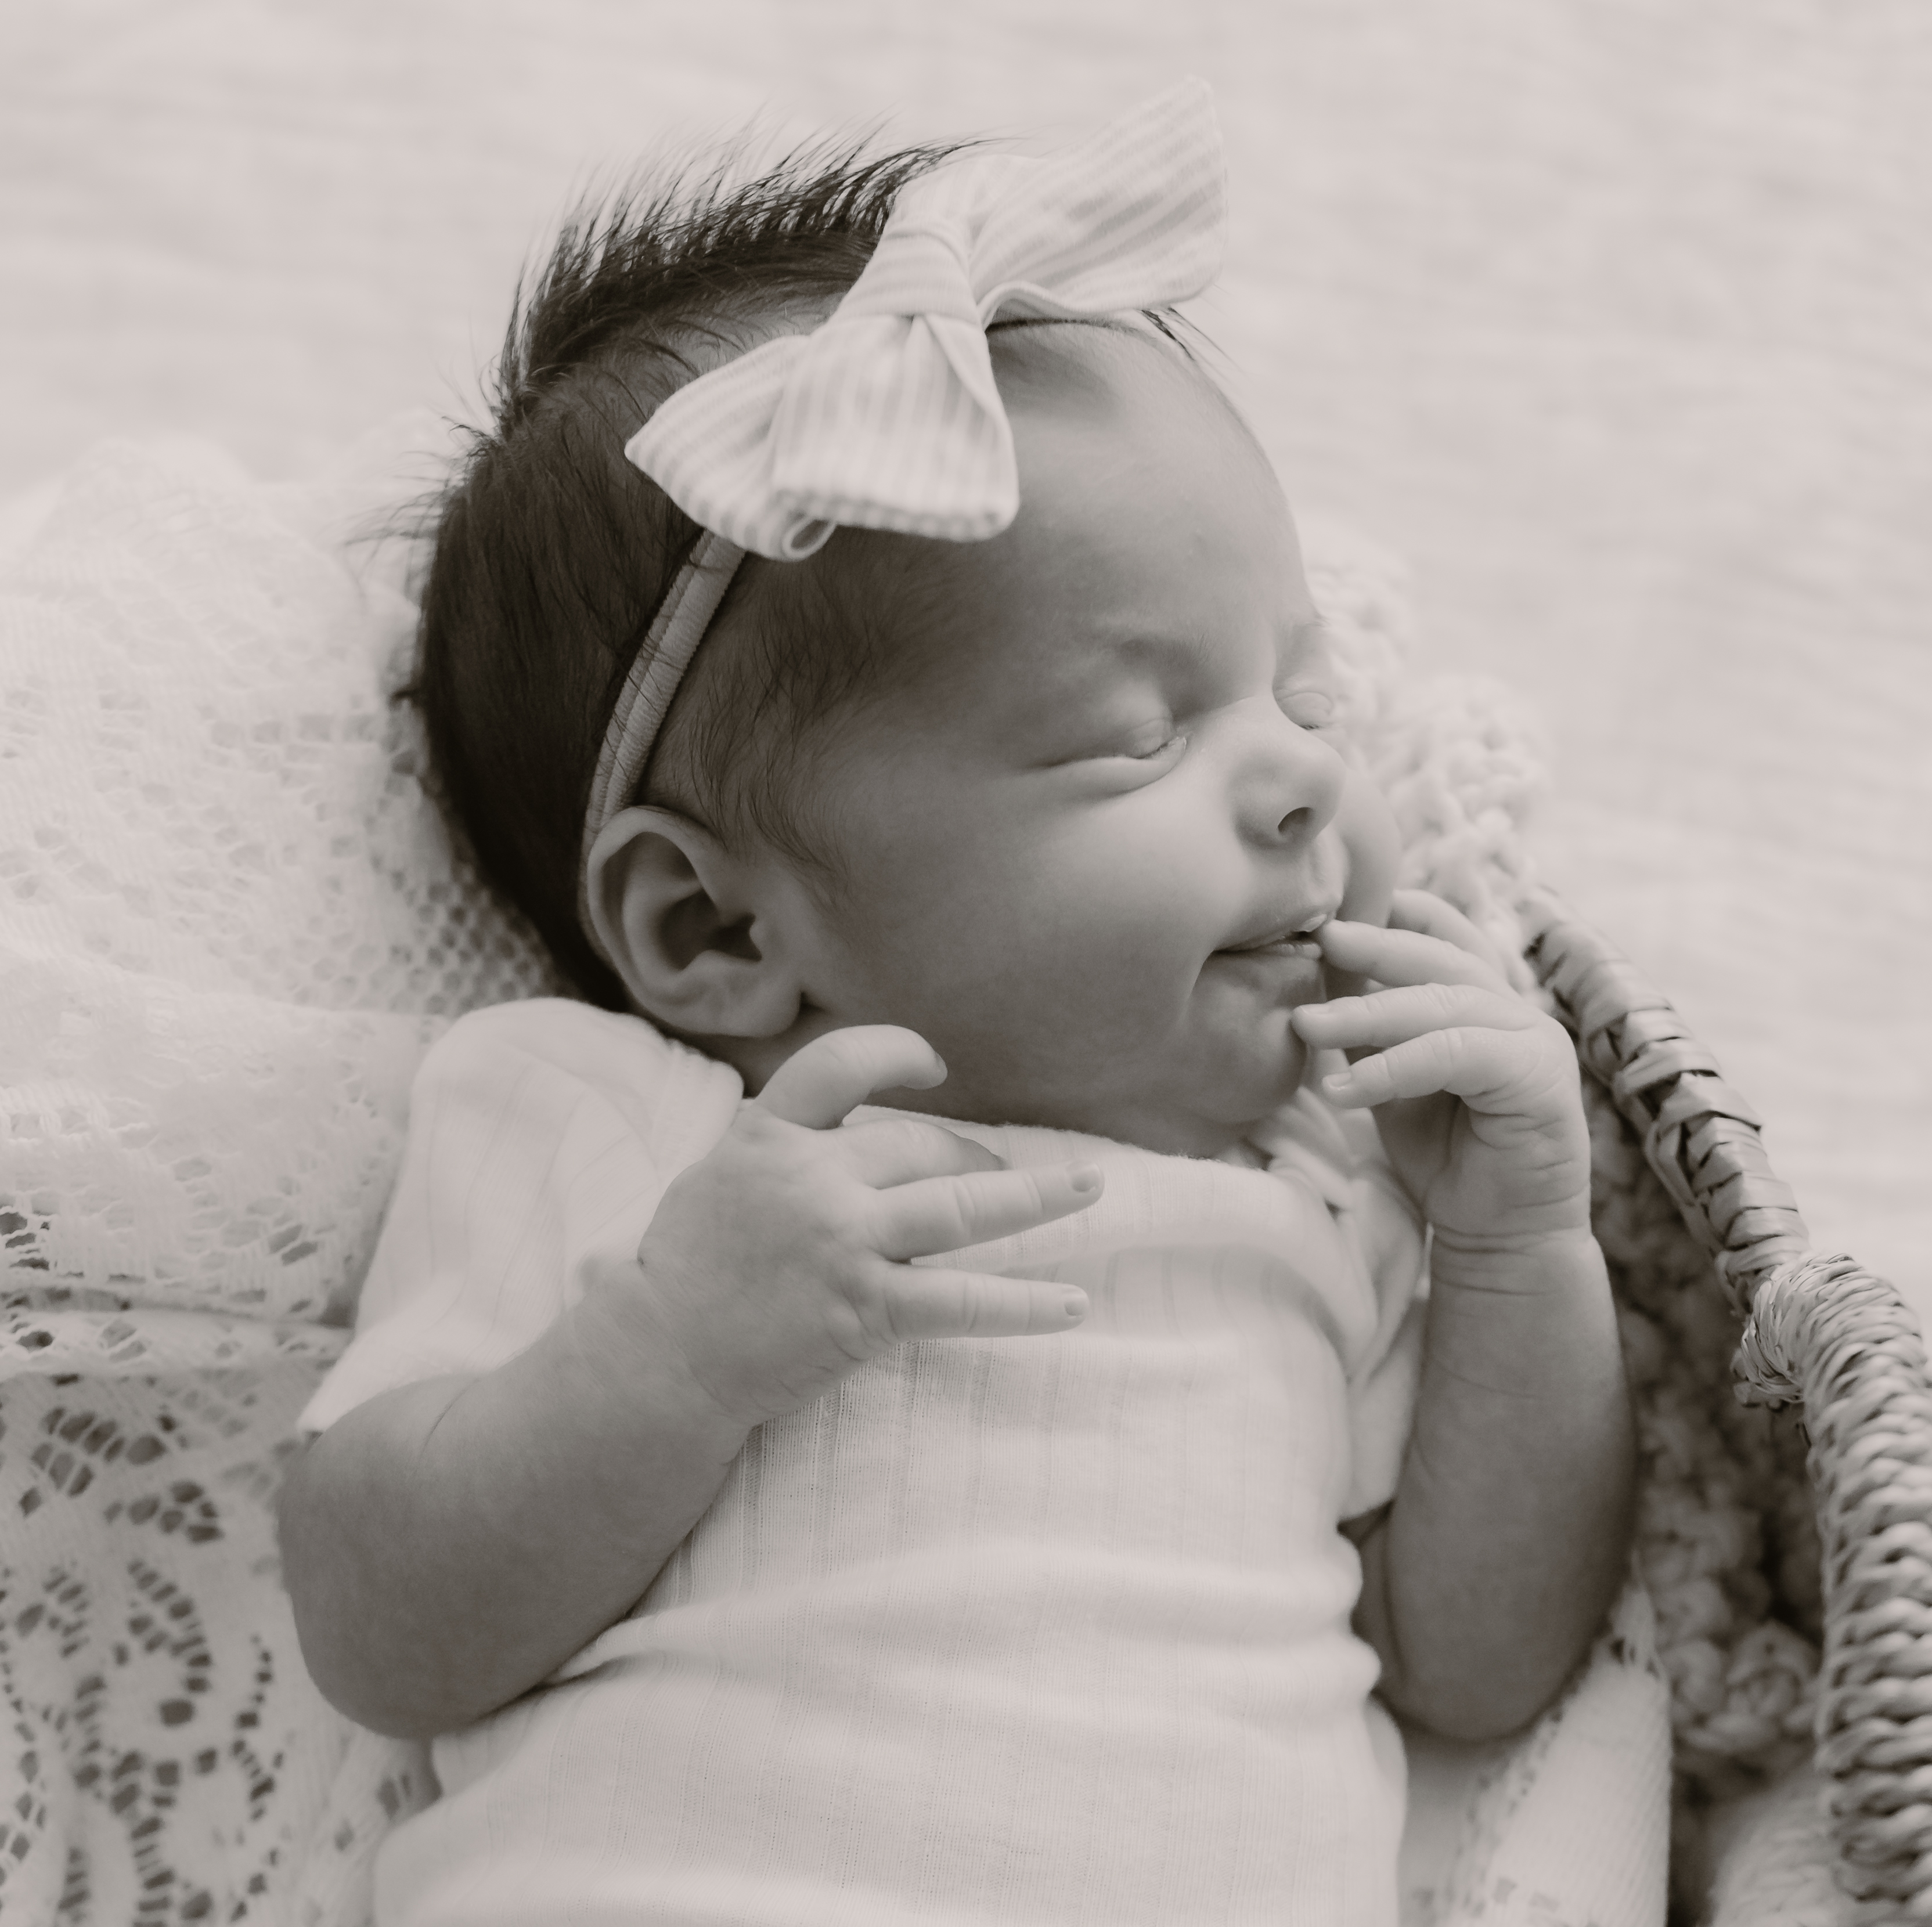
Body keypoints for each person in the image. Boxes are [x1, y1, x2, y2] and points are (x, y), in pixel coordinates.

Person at [277, 82, 1633, 1926]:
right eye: (1138, 733)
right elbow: (384, 1634)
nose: (1312, 778)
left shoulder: (1329, 1185)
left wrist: (1520, 1249)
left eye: (1306, 700)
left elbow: (1476, 1668)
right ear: (715, 930)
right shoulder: (618, 1134)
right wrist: (674, 1353)